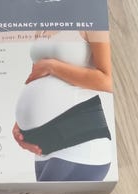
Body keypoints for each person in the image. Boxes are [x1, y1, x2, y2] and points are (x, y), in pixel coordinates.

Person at [13, 30, 113, 182]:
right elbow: (37, 76)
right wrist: (20, 125)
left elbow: (107, 81)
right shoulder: (42, 26)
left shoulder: (91, 23)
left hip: (79, 141)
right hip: (43, 146)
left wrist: (52, 66)